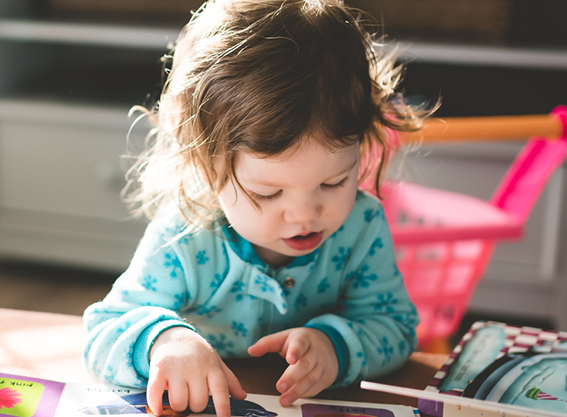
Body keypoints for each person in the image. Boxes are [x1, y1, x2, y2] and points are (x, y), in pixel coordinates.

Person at [82, 1, 427, 417]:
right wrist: (163, 341)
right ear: (205, 167)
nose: (304, 213)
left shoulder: (361, 225)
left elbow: (394, 327)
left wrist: (335, 345)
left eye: (334, 182)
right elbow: (104, 331)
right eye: (267, 193)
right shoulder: (185, 235)